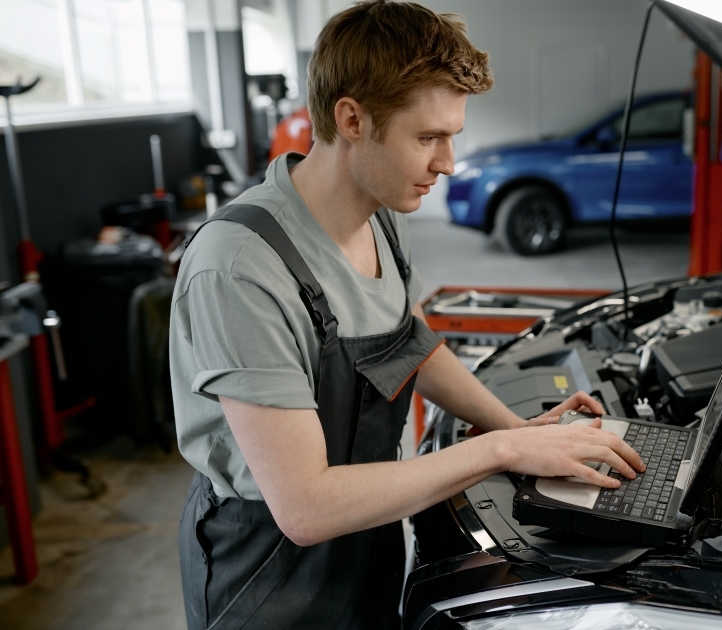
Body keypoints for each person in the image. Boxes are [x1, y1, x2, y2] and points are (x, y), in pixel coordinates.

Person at [170, 2, 644, 628]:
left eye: (453, 136)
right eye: (428, 138)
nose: (447, 163)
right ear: (352, 119)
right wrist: (499, 450)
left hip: (367, 532)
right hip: (266, 573)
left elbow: (411, 341)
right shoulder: (240, 267)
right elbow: (305, 507)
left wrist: (519, 431)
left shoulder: (383, 215)